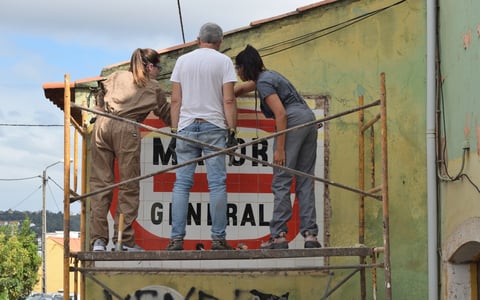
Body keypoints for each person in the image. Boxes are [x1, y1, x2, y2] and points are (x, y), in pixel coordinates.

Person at [234, 44, 321, 249]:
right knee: (305, 179)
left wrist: (280, 149)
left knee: (281, 179)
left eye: (238, 68)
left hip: (292, 120)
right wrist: (230, 94)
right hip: (308, 119)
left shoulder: (264, 83)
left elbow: (280, 114)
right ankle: (310, 236)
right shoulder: (268, 77)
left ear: (245, 67)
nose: (237, 72)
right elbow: (243, 88)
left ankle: (279, 235)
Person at [90, 48, 171, 252]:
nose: (158, 73)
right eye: (158, 68)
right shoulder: (153, 87)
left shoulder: (116, 76)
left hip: (101, 126)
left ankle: (98, 241)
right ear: (150, 66)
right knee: (129, 186)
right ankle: (123, 241)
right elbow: (167, 114)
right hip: (126, 128)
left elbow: (101, 97)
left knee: (101, 185)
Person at [167, 22, 238, 251]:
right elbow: (228, 100)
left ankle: (176, 239)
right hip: (214, 126)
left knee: (181, 185)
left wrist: (174, 130)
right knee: (216, 184)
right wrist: (232, 130)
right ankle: (218, 239)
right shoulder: (224, 62)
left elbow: (175, 100)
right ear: (219, 42)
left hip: (186, 126)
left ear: (199, 40)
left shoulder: (182, 61)